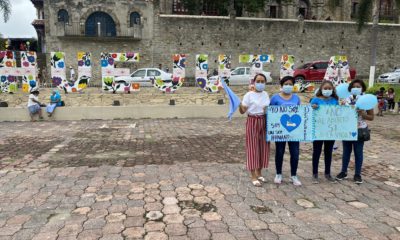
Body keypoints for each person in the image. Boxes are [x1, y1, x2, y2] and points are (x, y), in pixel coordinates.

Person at [336, 79, 374, 184]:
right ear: (350, 89)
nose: (356, 89)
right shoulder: (344, 100)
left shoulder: (366, 100)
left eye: (358, 87)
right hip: (347, 129)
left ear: (362, 88)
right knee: (346, 152)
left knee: (358, 152)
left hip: (359, 130)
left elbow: (371, 117)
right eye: (354, 87)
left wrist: (363, 113)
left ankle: (357, 174)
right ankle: (343, 172)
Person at [239, 74, 270, 187]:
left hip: (264, 121)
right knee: (253, 148)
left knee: (263, 147)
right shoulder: (249, 95)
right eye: (258, 81)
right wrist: (239, 105)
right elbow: (242, 111)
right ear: (254, 82)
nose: (260, 83)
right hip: (252, 121)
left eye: (262, 81)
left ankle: (259, 172)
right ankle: (253, 176)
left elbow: (267, 109)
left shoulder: (266, 94)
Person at [270, 76, 302, 186]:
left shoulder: (296, 98)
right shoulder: (275, 98)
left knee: (295, 153)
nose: (288, 86)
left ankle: (294, 175)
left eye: (290, 84)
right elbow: (271, 114)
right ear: (282, 85)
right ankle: (278, 174)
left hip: (294, 131)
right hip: (280, 132)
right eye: (286, 84)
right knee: (279, 152)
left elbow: (300, 113)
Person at [310, 81, 339, 183]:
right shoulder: (315, 100)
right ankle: (315, 174)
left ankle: (328, 173)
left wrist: (342, 107)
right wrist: (313, 108)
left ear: (332, 90)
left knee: (328, 152)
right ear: (321, 89)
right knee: (316, 152)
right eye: (325, 88)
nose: (327, 90)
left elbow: (339, 113)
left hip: (330, 130)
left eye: (329, 88)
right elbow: (309, 113)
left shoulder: (335, 100)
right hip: (318, 129)